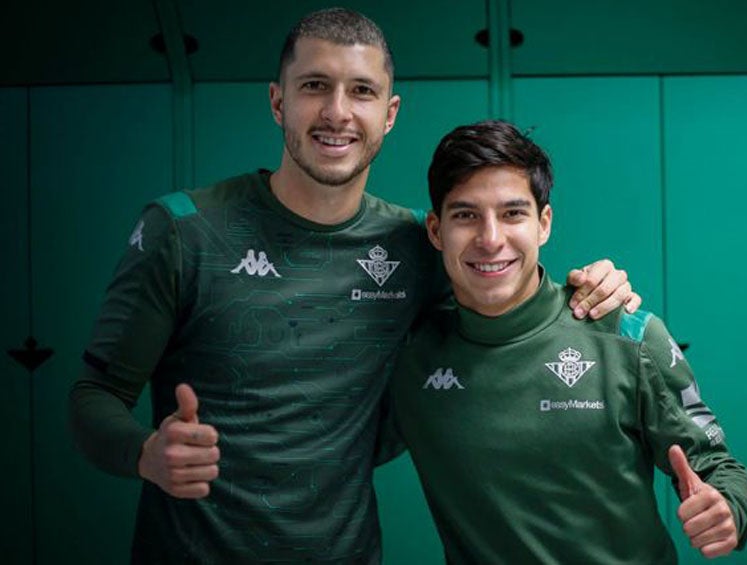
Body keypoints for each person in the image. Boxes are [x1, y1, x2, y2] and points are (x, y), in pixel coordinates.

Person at [68, 8, 640, 564]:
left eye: (361, 91)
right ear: (277, 101)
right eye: (315, 85)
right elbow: (93, 396)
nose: (337, 112)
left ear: (389, 113)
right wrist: (145, 454)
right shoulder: (182, 230)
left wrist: (596, 288)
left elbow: (510, 290)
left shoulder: (420, 244)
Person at [389, 120, 747, 564]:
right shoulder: (410, 355)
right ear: (435, 230)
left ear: (544, 223)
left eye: (513, 213)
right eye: (466, 215)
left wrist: (726, 508)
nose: (490, 239)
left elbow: (717, 465)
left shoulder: (626, 335)